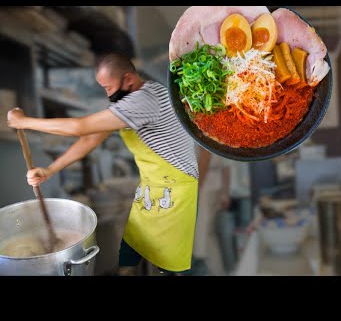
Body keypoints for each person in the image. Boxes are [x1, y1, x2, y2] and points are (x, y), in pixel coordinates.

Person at [7, 52, 199, 276]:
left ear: (128, 79)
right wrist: (50, 169)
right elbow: (90, 138)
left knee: (167, 264)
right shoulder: (134, 98)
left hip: (174, 191)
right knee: (132, 250)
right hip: (153, 187)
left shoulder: (144, 100)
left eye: (108, 87)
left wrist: (24, 122)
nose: (107, 93)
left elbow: (80, 127)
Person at [191, 146, 232, 276]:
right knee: (208, 235)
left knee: (204, 237)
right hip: (214, 186)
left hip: (205, 188)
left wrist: (194, 191)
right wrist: (225, 193)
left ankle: (217, 272)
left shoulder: (199, 133)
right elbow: (226, 168)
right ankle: (217, 271)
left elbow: (205, 159)